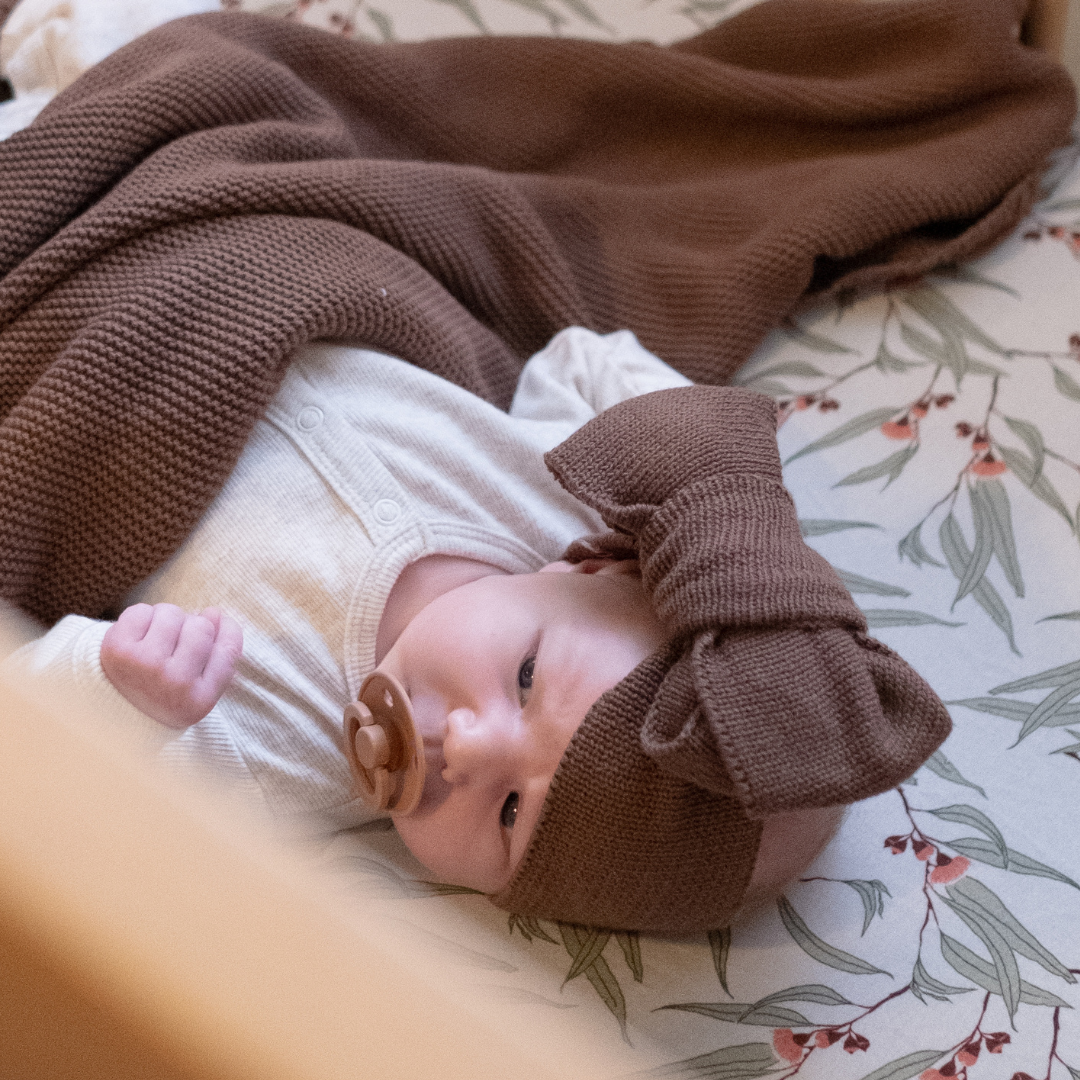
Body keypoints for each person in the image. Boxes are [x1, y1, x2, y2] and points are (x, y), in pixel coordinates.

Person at [5, 327, 950, 932]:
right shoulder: (553, 483)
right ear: (595, 566)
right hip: (267, 275)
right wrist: (735, 538)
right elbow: (588, 360)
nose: (466, 743)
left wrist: (116, 691)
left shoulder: (275, 756)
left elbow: (39, 772)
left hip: (66, 384)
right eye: (529, 680)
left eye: (508, 815)